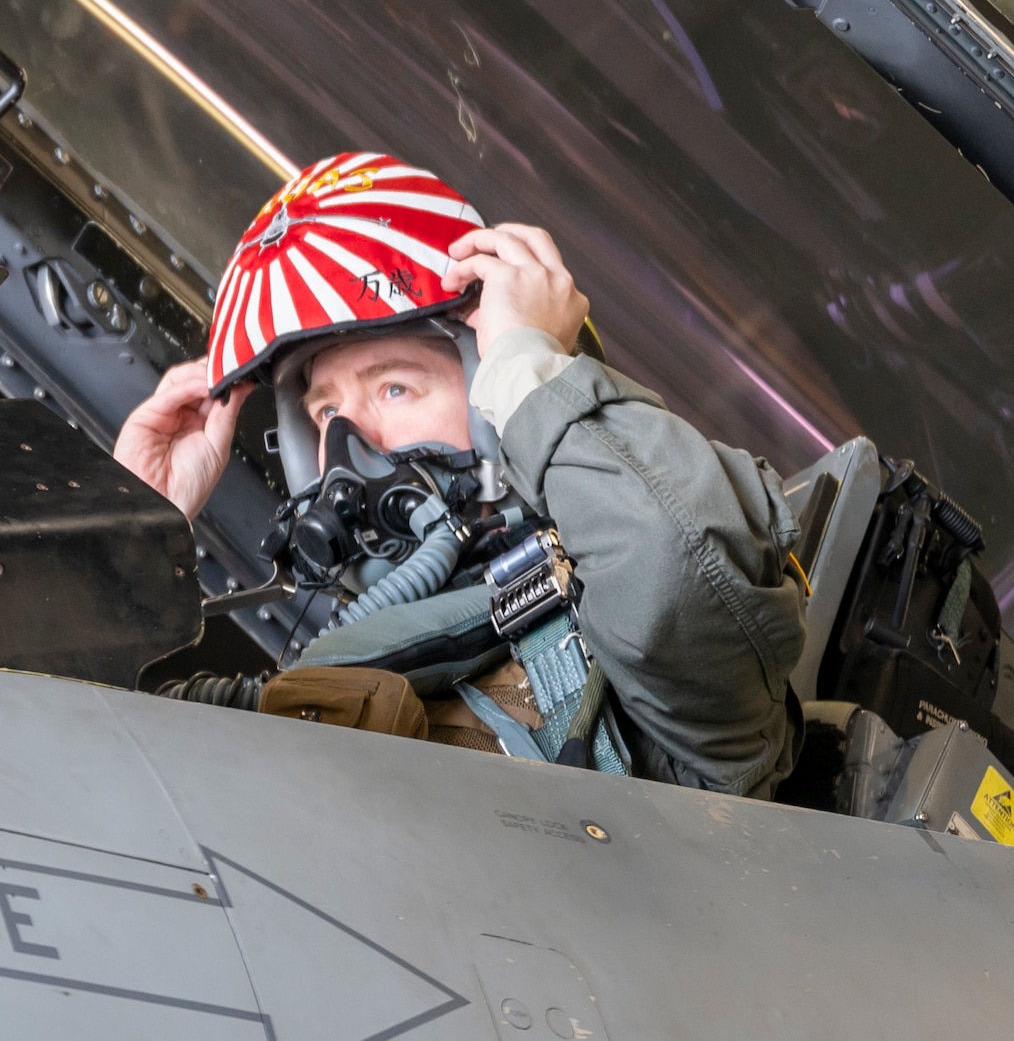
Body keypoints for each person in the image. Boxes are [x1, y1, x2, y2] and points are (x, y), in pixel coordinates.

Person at [114, 152, 808, 798]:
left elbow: (675, 570)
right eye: (325, 412)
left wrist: (526, 366)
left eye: (395, 390)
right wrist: (124, 536)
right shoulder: (318, 690)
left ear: (492, 397)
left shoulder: (624, 653)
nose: (351, 445)